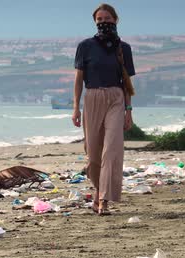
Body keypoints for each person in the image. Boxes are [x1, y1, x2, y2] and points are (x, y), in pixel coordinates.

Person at [72, 3, 136, 215]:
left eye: (107, 19)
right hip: (92, 98)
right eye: (99, 20)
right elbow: (79, 79)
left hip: (116, 98)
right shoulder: (85, 46)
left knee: (111, 150)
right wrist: (76, 108)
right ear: (95, 22)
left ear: (115, 20)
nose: (103, 23)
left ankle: (104, 200)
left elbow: (126, 82)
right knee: (93, 155)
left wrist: (129, 110)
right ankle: (99, 192)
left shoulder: (124, 49)